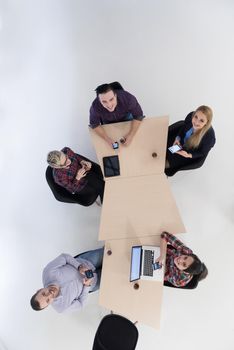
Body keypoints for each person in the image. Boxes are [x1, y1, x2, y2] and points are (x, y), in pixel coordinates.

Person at [30, 248, 104, 312]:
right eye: (48, 300)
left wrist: (79, 267)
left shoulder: (48, 272)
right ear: (48, 305)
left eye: (44, 293)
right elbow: (81, 304)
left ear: (39, 290)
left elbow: (64, 257)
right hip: (94, 282)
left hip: (87, 261)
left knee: (112, 251)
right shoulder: (62, 308)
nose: (50, 293)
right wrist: (87, 286)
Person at [89, 81, 145, 147]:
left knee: (135, 142)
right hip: (108, 121)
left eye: (111, 99)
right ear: (99, 100)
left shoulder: (128, 98)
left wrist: (131, 135)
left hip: (126, 117)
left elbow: (138, 116)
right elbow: (94, 124)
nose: (109, 105)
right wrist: (107, 139)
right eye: (104, 102)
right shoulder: (95, 106)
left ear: (115, 95)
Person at [165, 105, 216, 176]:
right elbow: (183, 127)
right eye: (196, 117)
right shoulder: (190, 117)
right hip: (179, 143)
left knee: (164, 165)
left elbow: (202, 152)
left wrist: (189, 155)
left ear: (206, 123)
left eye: (201, 120)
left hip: (188, 152)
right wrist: (177, 138)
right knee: (161, 152)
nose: (196, 122)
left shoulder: (209, 137)